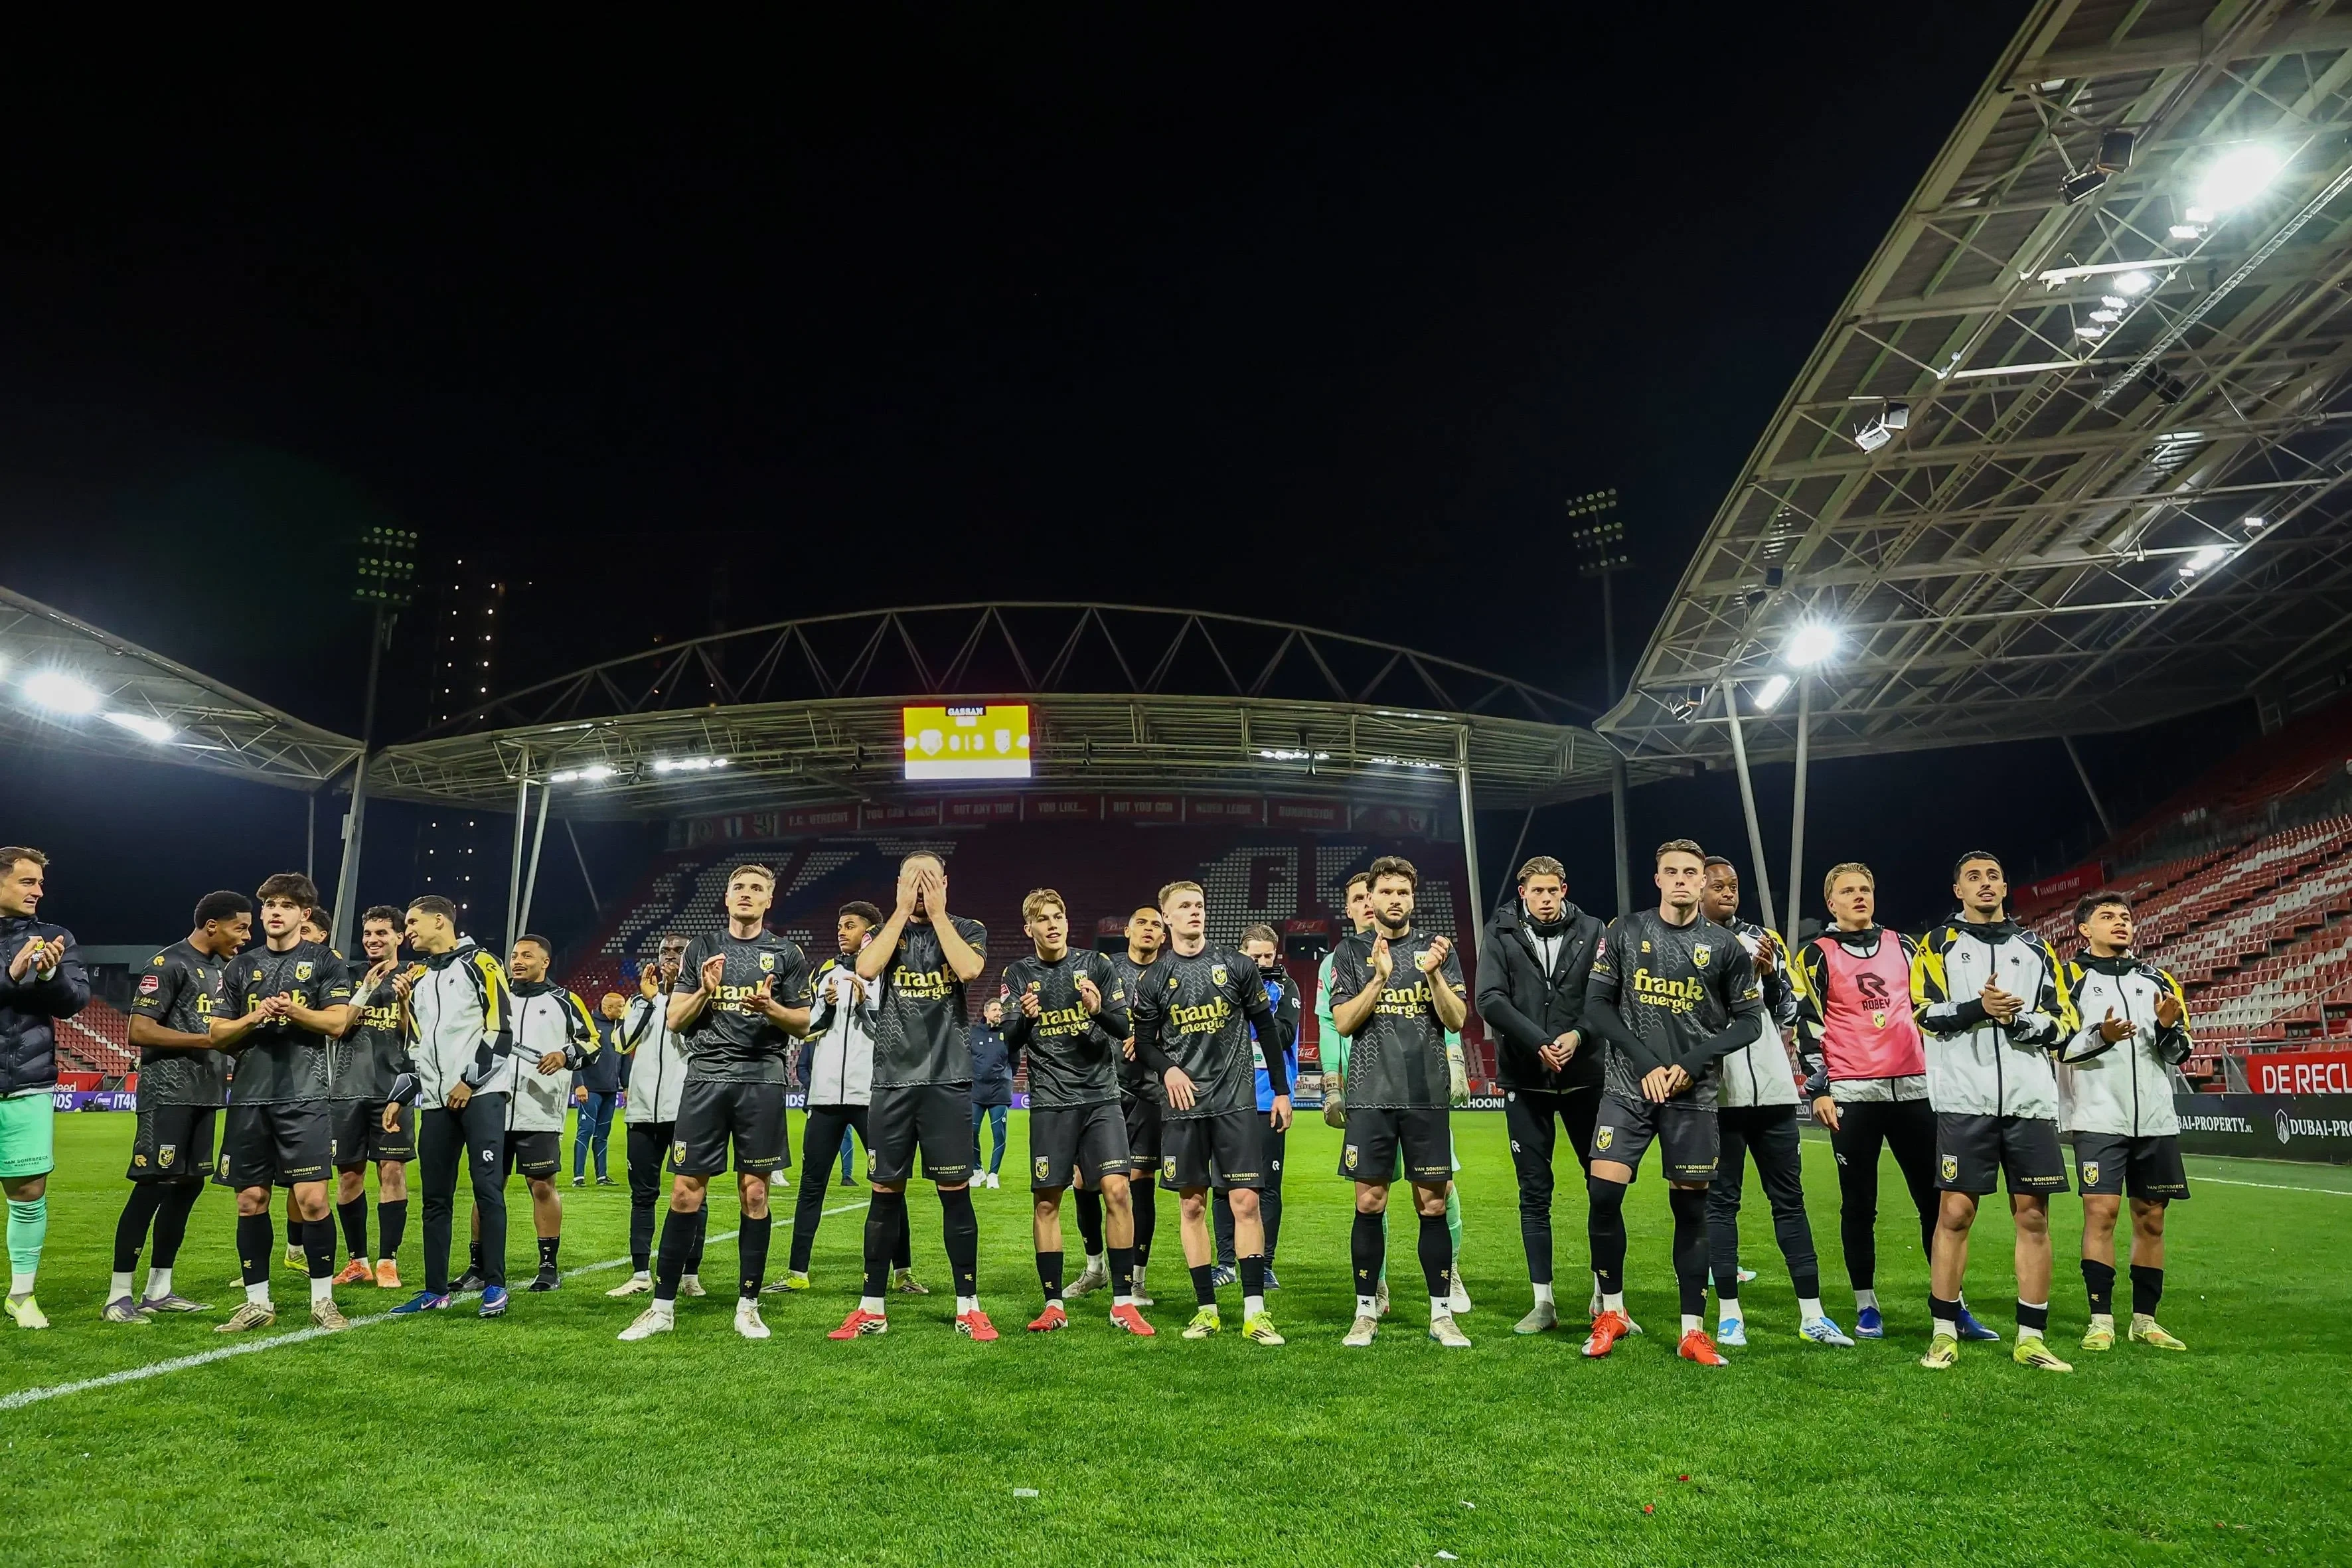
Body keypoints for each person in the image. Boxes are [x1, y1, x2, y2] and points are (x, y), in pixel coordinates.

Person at [1579, 840, 1766, 1368]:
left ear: (1704, 882)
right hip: (1627, 1087)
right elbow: (1596, 1005)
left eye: (1691, 872)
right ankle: (1611, 1311)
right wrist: (1646, 1063)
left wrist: (1689, 1063)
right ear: (1656, 879)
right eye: (1671, 872)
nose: (1681, 880)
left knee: (1690, 1205)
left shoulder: (1725, 947)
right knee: (1602, 1193)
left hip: (1693, 1096)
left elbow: (1749, 1021)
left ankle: (1691, 1330)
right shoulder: (1624, 932)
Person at [619, 864, 811, 1342]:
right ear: (726, 899)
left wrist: (772, 1009)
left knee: (755, 1194)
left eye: (756, 889)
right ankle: (661, 1308)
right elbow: (675, 1020)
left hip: (761, 1079)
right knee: (686, 1191)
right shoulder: (702, 949)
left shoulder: (786, 953)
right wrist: (705, 990)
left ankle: (748, 1305)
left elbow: (804, 1024)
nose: (746, 895)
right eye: (738, 888)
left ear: (769, 900)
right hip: (706, 1077)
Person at [1914, 850, 2075, 1373]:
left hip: (2028, 1102)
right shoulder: (1937, 944)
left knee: (2032, 1215)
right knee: (1954, 1214)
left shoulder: (2035, 947)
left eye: (1993, 877)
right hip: (1965, 1100)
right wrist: (1977, 1009)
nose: (1985, 884)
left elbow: (2063, 1023)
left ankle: (2031, 1337)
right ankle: (1942, 1332)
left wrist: (2019, 1021)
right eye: (1973, 878)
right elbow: (1923, 1014)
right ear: (1957, 890)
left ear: (2005, 887)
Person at [831, 852, 992, 1341]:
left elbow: (967, 971)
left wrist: (938, 914)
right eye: (910, 879)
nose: (920, 887)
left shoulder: (967, 927)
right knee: (884, 1192)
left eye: (929, 880)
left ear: (945, 882)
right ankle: (871, 1306)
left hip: (946, 1079)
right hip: (892, 1081)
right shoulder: (886, 931)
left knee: (954, 1194)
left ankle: (969, 1305)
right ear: (898, 884)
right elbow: (868, 967)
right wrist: (900, 912)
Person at [1129, 879, 1291, 1347]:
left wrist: (1281, 1093)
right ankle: (1206, 1310)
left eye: (1199, 905)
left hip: (1236, 1103)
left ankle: (1255, 1312)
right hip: (1182, 1110)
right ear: (1166, 919)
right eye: (1184, 906)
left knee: (1244, 1202)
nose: (1194, 912)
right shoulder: (1155, 978)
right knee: (1192, 1204)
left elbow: (1266, 1027)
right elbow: (1142, 1043)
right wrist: (1169, 1069)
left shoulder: (1236, 965)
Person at [1699, 857, 1851, 1348]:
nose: (1728, 892)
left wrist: (1766, 977)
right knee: (1721, 1205)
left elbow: (1789, 1010)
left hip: (1774, 1091)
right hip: (1719, 1096)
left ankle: (1812, 1315)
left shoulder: (1765, 939)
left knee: (1789, 1202)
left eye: (1733, 885)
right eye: (1717, 885)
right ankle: (1728, 1314)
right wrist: (1743, 979)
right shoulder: (1683, 942)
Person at [1794, 862, 1941, 1340]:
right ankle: (1865, 1305)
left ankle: (1948, 1303)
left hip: (1914, 1089)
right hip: (1854, 1093)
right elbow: (1808, 1023)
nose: (1858, 897)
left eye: (1865, 889)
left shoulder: (1905, 945)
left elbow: (1927, 1009)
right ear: (1830, 902)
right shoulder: (1816, 953)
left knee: (1934, 1201)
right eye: (1847, 891)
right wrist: (1820, 1088)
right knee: (1859, 1205)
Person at [1328, 858, 1470, 1349]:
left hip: (1426, 1097)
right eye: (1385, 891)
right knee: (1370, 1202)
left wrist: (1431, 976)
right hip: (1370, 1096)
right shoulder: (1349, 952)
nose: (1394, 900)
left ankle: (1441, 1314)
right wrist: (1379, 979)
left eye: (1402, 892)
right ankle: (1365, 1311)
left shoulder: (1437, 951)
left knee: (1432, 1204)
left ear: (1412, 898)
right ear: (1369, 900)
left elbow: (1456, 1020)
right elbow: (1344, 1022)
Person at [204, 873, 354, 1333]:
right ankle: (257, 1304)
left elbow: (337, 1023)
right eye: (269, 903)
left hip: (304, 1096)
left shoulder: (325, 962)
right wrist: (255, 1015)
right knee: (250, 1200)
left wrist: (294, 1011)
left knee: (311, 1201)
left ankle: (323, 1302)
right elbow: (216, 1034)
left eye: (286, 905)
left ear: (304, 915)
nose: (274, 912)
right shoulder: (239, 967)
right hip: (249, 1098)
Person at [998, 889, 1150, 1335]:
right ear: (1029, 928)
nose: (1052, 924)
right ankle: (1052, 1305)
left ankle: (1123, 1302)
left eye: (1058, 916)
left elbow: (1125, 1028)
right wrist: (1024, 1019)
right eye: (1042, 919)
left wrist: (1098, 1010)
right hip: (1050, 1102)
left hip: (1100, 1097)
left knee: (1117, 1190)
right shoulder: (1018, 973)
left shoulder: (1098, 967)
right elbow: (1007, 1041)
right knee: (1048, 1200)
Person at [2057, 891, 2193, 1354]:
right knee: (2101, 1212)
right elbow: (2057, 1045)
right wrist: (2102, 1034)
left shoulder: (2159, 980)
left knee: (2151, 1220)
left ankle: (2144, 1320)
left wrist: (2165, 1028)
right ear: (2083, 929)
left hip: (2154, 1118)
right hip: (2097, 1114)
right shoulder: (2068, 978)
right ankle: (2099, 1319)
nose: (2119, 923)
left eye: (2124, 917)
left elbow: (2179, 1054)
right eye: (2107, 917)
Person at [105, 890, 250, 1322]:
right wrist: (207, 1041)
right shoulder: (168, 964)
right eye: (239, 928)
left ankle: (159, 1289)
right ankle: (118, 1296)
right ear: (213, 925)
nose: (244, 938)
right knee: (151, 1187)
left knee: (188, 1189)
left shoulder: (221, 971)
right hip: (167, 1094)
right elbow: (140, 1029)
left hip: (205, 1094)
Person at [1475, 854, 1605, 1334]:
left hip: (1587, 1076)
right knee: (1534, 1191)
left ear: (1564, 889)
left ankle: (1604, 1295)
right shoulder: (1500, 932)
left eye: (1553, 891)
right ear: (1522, 892)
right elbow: (1488, 998)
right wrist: (1538, 1042)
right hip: (1526, 1080)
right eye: (1538, 892)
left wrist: (1577, 1037)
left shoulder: (1593, 930)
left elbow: (1606, 996)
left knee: (1602, 1188)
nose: (1546, 900)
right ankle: (1542, 1302)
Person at [775, 901, 917, 1294]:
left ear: (870, 932)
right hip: (824, 1097)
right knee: (811, 1185)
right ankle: (797, 1273)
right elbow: (807, 1031)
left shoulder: (889, 974)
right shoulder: (826, 973)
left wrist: (864, 1006)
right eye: (839, 925)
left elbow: (895, 1036)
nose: (842, 931)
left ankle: (903, 1272)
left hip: (872, 1097)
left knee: (889, 1185)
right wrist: (828, 1008)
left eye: (850, 925)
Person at [386, 895, 517, 1318]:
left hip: (480, 1097)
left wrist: (469, 1081)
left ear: (439, 920)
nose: (407, 930)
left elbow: (501, 1031)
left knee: (487, 1190)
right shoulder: (420, 976)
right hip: (438, 1105)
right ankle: (434, 1290)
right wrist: (399, 1097)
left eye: (412, 922)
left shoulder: (483, 963)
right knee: (435, 1199)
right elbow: (417, 1046)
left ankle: (495, 1285)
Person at [0, 847, 84, 1332]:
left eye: (40, 884)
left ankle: (21, 1294)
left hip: (28, 1082)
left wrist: (48, 974)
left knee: (29, 1189)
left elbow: (74, 1002)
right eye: (28, 882)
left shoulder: (55, 938)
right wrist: (11, 975)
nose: (39, 892)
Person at [607, 934, 708, 1299]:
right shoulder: (638, 1001)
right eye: (665, 951)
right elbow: (623, 1044)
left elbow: (694, 1044)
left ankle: (690, 1275)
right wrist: (650, 1003)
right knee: (642, 1196)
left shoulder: (701, 999)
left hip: (687, 1111)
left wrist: (669, 1003)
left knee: (695, 1195)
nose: (670, 958)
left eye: (678, 952)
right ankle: (639, 1274)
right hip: (642, 1112)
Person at [325, 905, 418, 1291]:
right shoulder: (346, 976)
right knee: (349, 1176)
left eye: (382, 933)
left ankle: (387, 1261)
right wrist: (364, 989)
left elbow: (417, 1038)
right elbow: (337, 1028)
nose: (373, 939)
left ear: (399, 937)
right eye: (368, 933)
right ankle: (357, 1261)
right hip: (346, 1090)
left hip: (393, 1091)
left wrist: (404, 1003)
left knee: (392, 1172)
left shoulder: (416, 977)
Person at [501, 935, 601, 1291]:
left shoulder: (565, 1000)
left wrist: (565, 1055)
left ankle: (547, 1268)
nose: (517, 961)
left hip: (539, 1109)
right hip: (493, 1107)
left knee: (540, 1185)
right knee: (488, 1188)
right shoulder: (497, 998)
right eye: (514, 955)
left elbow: (592, 1042)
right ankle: (478, 1266)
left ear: (545, 962)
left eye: (527, 955)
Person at [1213, 926, 1299, 1289]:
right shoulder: (1224, 987)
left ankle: (1264, 1264)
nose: (1263, 963)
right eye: (1255, 957)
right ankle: (1227, 1262)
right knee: (1222, 1186)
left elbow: (1283, 1035)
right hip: (1228, 1098)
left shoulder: (1287, 989)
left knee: (1267, 1186)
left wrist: (1255, 1011)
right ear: (1241, 955)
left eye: (1268, 956)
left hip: (1268, 1101)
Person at [1093, 905, 1166, 1306]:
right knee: (1085, 1181)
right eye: (1142, 922)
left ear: (1164, 936)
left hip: (1148, 1091)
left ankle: (1136, 1279)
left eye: (1157, 925)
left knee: (1139, 1186)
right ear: (1127, 931)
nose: (1149, 930)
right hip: (1104, 1088)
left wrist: (1149, 1040)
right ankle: (1095, 1269)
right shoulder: (1107, 969)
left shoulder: (1173, 971)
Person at [572, 992, 627, 1186]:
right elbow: (577, 1055)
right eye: (620, 1006)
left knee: (603, 1135)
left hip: (611, 1090)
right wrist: (579, 1084)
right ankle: (578, 1176)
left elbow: (625, 1057)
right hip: (590, 1088)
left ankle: (602, 1176)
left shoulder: (622, 1028)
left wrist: (625, 1085)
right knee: (585, 1131)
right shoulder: (590, 1025)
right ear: (607, 1008)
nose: (623, 1009)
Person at [970, 999, 1012, 1189]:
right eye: (995, 1009)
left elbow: (1016, 1060)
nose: (998, 1012)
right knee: (971, 1132)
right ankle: (977, 1171)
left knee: (999, 1135)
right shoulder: (973, 1033)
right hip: (976, 1091)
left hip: (999, 1093)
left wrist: (1005, 1078)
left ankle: (993, 1174)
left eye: (1000, 1010)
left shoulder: (1008, 1034)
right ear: (986, 1013)